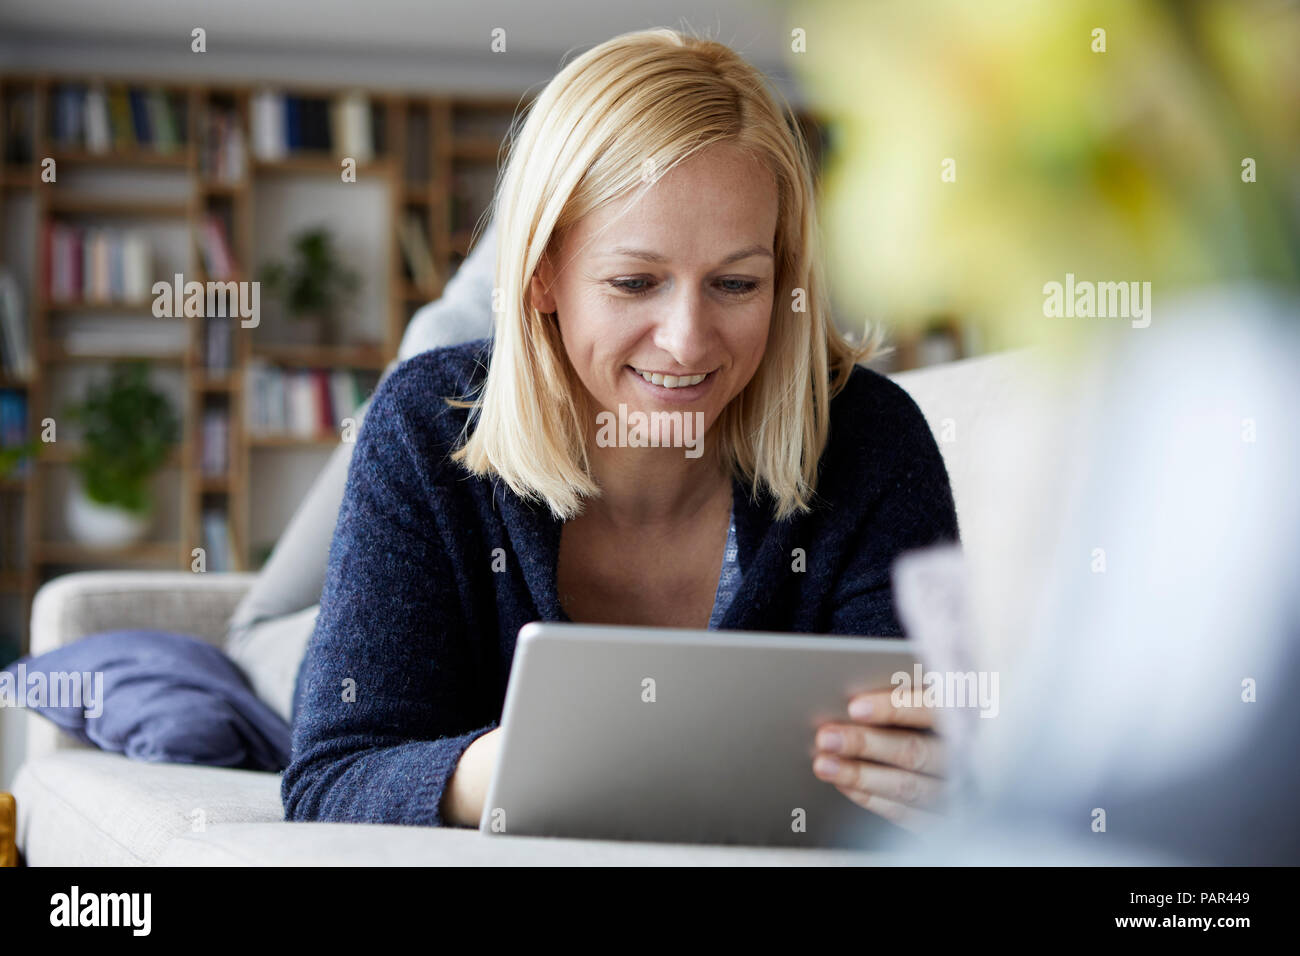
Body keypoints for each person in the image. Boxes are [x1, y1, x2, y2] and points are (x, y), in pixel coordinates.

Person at [281, 27, 959, 832]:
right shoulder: (425, 424)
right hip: (303, 645)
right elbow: (334, 776)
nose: (687, 340)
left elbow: (930, 753)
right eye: (635, 282)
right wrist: (530, 759)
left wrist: (937, 774)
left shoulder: (871, 439)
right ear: (542, 275)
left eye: (736, 283)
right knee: (255, 662)